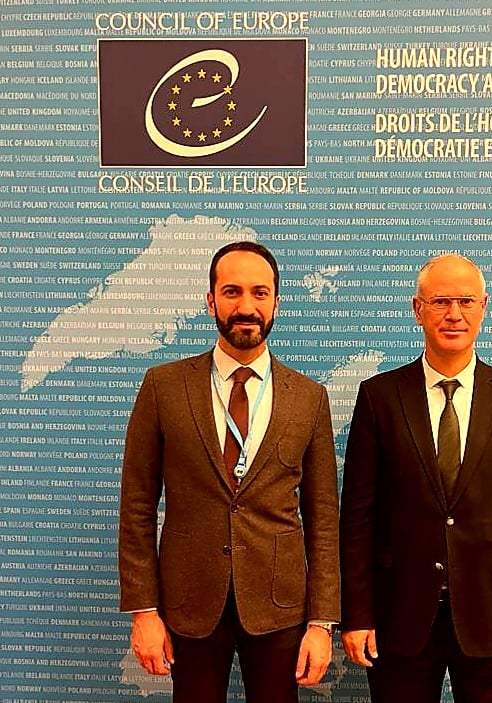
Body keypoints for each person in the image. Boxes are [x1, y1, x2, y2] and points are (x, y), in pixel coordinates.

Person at [119, 241, 340, 703]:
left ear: (276, 303)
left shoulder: (309, 397)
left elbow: (323, 519)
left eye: (260, 293)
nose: (246, 306)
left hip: (280, 607)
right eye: (232, 291)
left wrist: (322, 623)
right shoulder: (163, 387)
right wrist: (144, 611)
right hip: (189, 603)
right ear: (211, 300)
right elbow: (137, 507)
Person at [340, 253, 492, 703]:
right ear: (417, 310)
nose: (454, 314)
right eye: (440, 302)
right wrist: (357, 615)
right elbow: (358, 518)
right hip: (400, 618)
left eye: (466, 301)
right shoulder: (380, 397)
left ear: (483, 307)